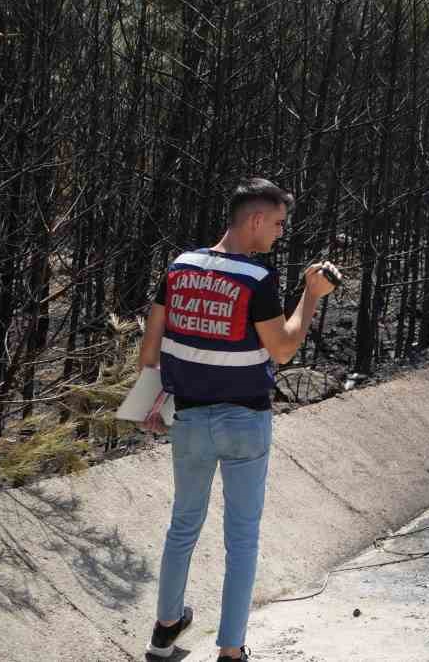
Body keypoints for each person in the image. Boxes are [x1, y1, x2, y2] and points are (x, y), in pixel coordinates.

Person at [138, 178, 336, 661]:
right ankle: (230, 651)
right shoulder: (256, 279)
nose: (278, 234)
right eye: (277, 224)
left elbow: (151, 343)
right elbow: (284, 349)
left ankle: (165, 630)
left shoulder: (180, 267)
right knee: (241, 538)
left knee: (182, 524)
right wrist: (311, 295)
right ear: (254, 220)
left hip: (187, 418)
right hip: (245, 421)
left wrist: (149, 403)